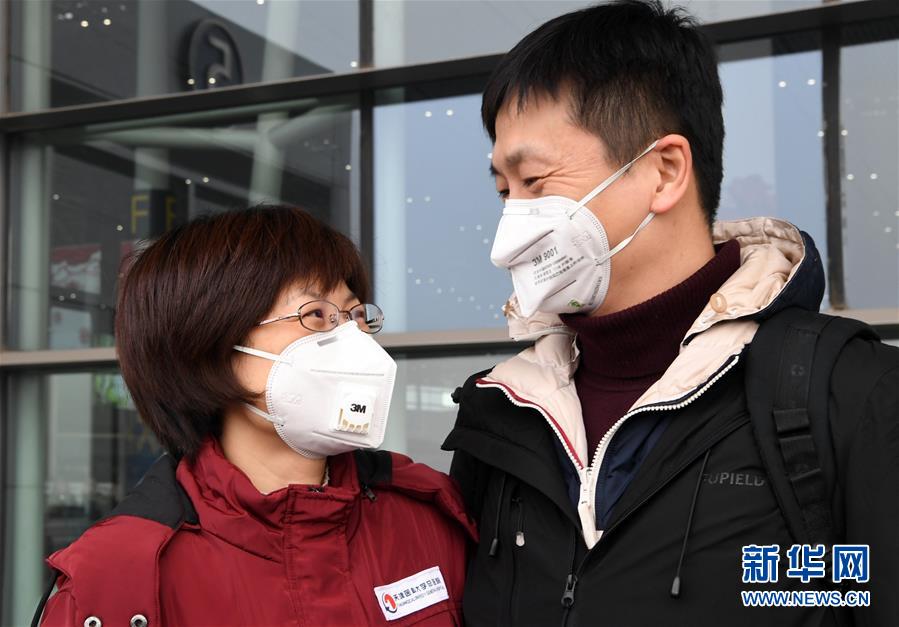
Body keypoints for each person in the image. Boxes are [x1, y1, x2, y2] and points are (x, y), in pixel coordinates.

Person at [442, 2, 898, 626]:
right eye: (504, 191)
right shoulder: (500, 413)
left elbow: (857, 591)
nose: (508, 233)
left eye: (535, 182)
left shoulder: (846, 394)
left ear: (664, 172)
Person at [35, 205, 475, 626]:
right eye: (316, 315)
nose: (352, 337)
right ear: (210, 344)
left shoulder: (426, 515)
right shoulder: (116, 577)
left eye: (356, 315)